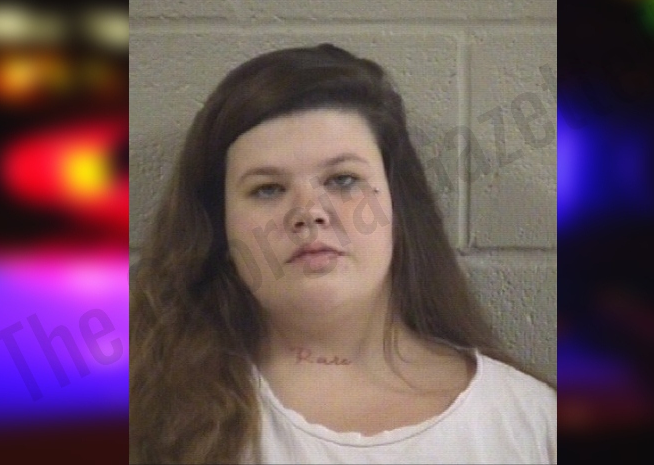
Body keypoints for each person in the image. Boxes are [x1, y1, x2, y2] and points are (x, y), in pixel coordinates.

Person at [130, 43, 556, 464]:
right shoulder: (152, 420)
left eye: (343, 180)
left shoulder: (532, 424)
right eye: (268, 189)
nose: (308, 212)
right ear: (219, 228)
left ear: (398, 207)